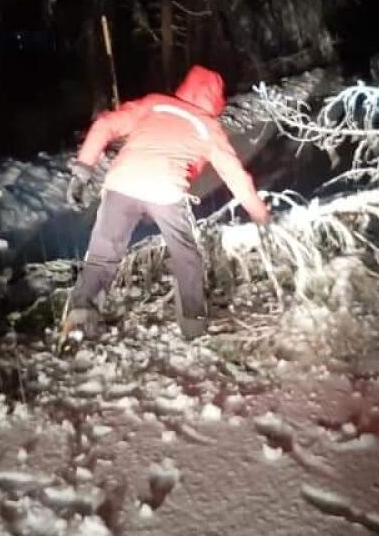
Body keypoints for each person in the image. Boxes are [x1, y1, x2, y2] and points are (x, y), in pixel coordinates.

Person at [65, 65, 269, 339]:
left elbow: (104, 124)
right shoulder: (208, 126)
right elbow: (235, 176)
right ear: (216, 99)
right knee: (186, 257)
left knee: (103, 254)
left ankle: (80, 318)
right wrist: (260, 215)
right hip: (166, 191)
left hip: (121, 184)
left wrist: (83, 170)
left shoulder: (155, 104)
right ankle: (193, 325)